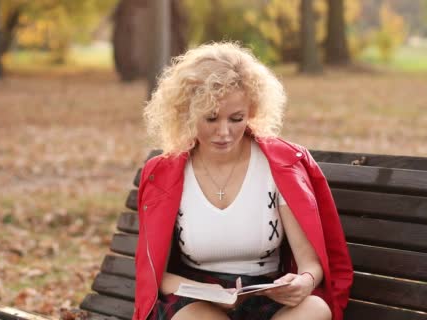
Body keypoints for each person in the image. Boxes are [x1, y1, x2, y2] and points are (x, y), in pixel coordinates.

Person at [134, 42, 353, 320]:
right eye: (211, 118)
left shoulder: (279, 165)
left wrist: (304, 282)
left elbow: (310, 262)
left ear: (251, 111)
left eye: (236, 118)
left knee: (316, 309)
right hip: (197, 300)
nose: (224, 132)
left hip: (269, 294)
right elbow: (157, 275)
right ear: (187, 113)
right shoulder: (165, 173)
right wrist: (208, 292)